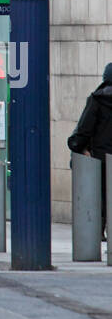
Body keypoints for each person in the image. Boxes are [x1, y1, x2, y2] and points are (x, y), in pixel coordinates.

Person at [68, 65, 112, 238]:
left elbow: (84, 129)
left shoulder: (97, 100)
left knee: (99, 195)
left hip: (99, 158)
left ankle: (98, 230)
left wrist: (77, 146)